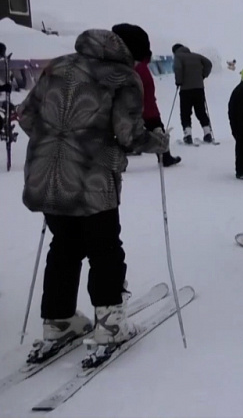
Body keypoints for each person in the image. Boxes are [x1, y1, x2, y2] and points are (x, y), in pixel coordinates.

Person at [17, 29, 170, 359]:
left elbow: (26, 115)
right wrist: (158, 142)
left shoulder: (57, 67)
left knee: (65, 246)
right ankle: (111, 325)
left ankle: (58, 320)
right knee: (104, 249)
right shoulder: (122, 77)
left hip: (47, 175)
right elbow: (128, 135)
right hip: (91, 179)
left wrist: (53, 143)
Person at [113, 23, 181, 168]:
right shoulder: (140, 68)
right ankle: (165, 156)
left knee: (121, 131)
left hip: (135, 107)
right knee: (157, 129)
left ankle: (119, 161)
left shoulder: (129, 66)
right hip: (146, 108)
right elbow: (148, 92)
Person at [171, 43, 215, 144]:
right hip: (199, 88)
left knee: (185, 112)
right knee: (201, 111)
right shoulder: (196, 56)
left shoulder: (178, 56)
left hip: (185, 89)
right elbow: (209, 64)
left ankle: (188, 135)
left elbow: (178, 68)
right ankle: (207, 133)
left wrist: (179, 81)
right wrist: (203, 75)